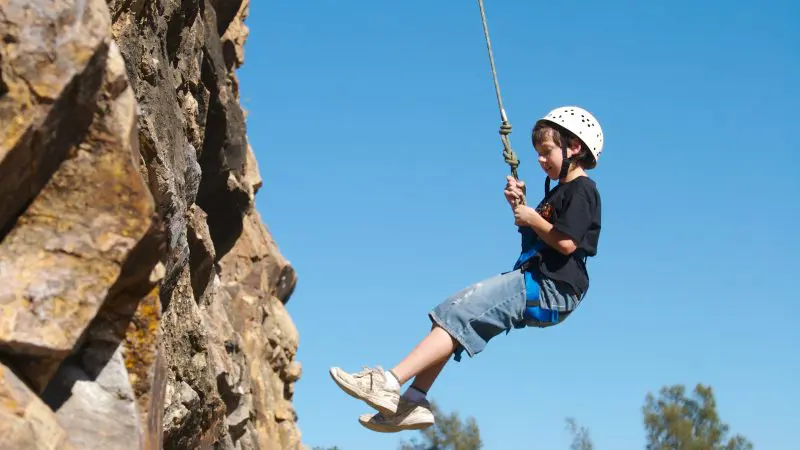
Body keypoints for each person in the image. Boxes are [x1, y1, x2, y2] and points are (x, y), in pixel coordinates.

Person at [329, 106, 604, 433]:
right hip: (537, 281)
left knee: (462, 313)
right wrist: (521, 208)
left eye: (547, 152)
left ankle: (389, 381)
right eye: (538, 154)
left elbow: (568, 243)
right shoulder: (558, 192)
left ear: (574, 147)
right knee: (453, 311)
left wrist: (532, 217)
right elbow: (538, 241)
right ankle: (414, 400)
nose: (541, 161)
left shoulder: (583, 190)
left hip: (552, 288)